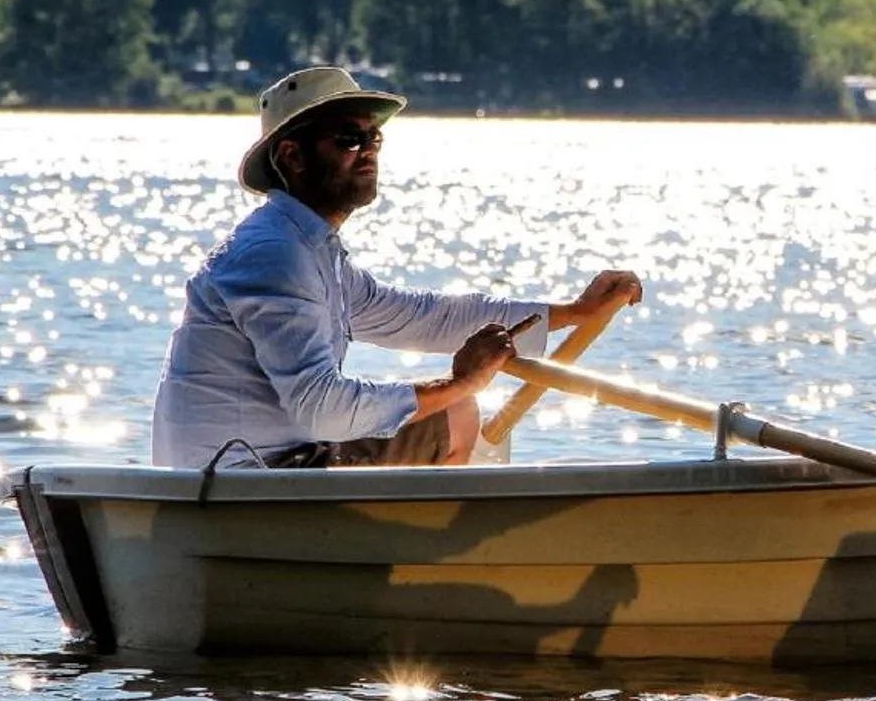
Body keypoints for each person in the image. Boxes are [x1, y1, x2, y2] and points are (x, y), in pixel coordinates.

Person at [151, 65, 643, 470]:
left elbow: (422, 316)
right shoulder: (276, 253)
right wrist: (458, 385)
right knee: (458, 413)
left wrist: (573, 313)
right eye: (349, 139)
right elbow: (321, 407)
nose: (367, 150)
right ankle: (427, 558)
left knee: (454, 409)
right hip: (241, 483)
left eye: (374, 137)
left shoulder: (309, 249)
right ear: (292, 156)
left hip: (249, 476)